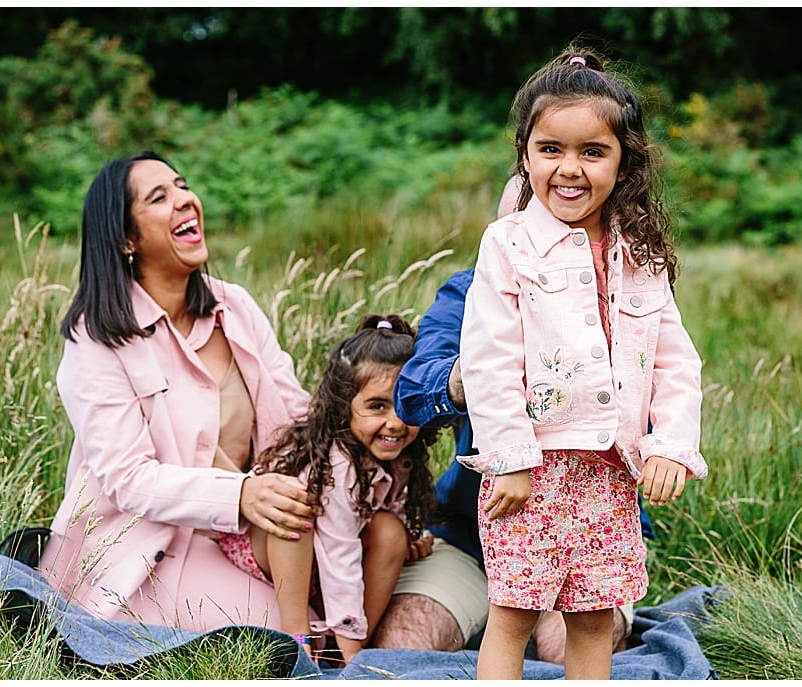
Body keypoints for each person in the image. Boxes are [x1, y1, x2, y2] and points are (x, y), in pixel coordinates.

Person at [456, 45, 707, 680]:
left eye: (593, 152)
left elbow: (676, 360)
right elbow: (487, 358)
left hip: (610, 472)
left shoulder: (640, 252)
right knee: (513, 611)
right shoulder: (507, 244)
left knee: (594, 618)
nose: (570, 169)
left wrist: (671, 445)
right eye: (551, 150)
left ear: (625, 163)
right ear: (526, 154)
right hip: (530, 471)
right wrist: (508, 458)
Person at [375, 176, 654, 662]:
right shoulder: (468, 290)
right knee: (404, 644)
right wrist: (486, 368)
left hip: (589, 527)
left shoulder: (620, 285)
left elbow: (663, 385)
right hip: (475, 529)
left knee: (565, 646)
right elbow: (412, 392)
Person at [38, 151, 319, 633]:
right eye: (159, 197)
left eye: (183, 186)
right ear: (127, 238)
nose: (185, 200)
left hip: (246, 530)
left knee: (352, 591)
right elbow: (127, 478)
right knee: (282, 636)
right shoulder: (97, 337)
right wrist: (241, 494)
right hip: (149, 549)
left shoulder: (235, 306)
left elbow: (296, 416)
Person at [216, 314, 437, 665]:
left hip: (325, 558)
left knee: (391, 533)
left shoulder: (397, 454)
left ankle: (348, 644)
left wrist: (411, 536)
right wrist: (351, 646)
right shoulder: (338, 464)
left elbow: (391, 506)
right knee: (295, 516)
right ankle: (298, 641)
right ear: (343, 407)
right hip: (273, 547)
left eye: (405, 404)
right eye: (377, 405)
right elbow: (340, 556)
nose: (395, 422)